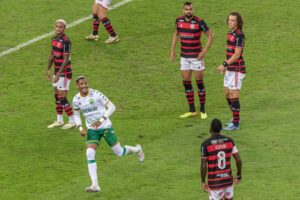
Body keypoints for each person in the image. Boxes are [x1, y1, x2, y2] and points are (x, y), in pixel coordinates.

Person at [72, 76, 144, 192]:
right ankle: (95, 185)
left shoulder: (96, 94)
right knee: (89, 153)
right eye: (81, 84)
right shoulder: (76, 99)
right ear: (77, 86)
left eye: (85, 83)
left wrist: (101, 120)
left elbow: (112, 106)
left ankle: (137, 150)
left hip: (105, 127)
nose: (84, 85)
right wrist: (80, 128)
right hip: (92, 130)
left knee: (119, 153)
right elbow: (75, 114)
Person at [170, 1, 213, 119]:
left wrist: (203, 52)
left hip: (196, 57)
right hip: (184, 57)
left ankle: (203, 110)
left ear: (193, 10)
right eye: (186, 9)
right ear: (183, 10)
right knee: (186, 83)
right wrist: (172, 50)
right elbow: (176, 34)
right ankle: (192, 110)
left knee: (199, 82)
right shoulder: (178, 21)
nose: (188, 11)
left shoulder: (199, 22)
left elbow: (210, 35)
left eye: (190, 9)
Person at [217, 12, 246, 131]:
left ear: (238, 22)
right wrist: (225, 66)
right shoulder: (230, 33)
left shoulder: (240, 35)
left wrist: (224, 64)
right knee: (227, 94)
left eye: (233, 20)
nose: (230, 22)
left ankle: (236, 123)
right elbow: (228, 53)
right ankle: (235, 118)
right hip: (230, 69)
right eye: (229, 20)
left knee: (233, 95)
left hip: (237, 69)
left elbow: (237, 54)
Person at [201, 119, 242, 200]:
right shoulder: (229, 141)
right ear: (220, 129)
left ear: (211, 128)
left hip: (215, 183)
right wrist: (238, 175)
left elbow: (204, 165)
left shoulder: (206, 144)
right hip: (228, 180)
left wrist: (203, 181)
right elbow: (238, 159)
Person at [46, 19, 75, 129]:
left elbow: (66, 59)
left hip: (64, 73)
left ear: (64, 29)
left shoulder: (66, 41)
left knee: (62, 96)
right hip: (56, 71)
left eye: (61, 27)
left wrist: (58, 75)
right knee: (57, 96)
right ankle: (59, 120)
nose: (58, 28)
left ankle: (72, 120)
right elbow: (52, 55)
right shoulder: (54, 39)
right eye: (57, 26)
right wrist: (48, 69)